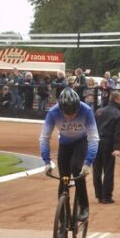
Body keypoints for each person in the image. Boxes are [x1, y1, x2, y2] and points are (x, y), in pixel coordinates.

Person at [39, 87, 99, 222]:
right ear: (60, 109)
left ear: (78, 107)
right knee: (64, 178)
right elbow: (44, 137)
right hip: (65, 144)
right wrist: (47, 162)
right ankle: (62, 220)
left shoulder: (86, 111)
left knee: (77, 168)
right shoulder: (53, 113)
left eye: (73, 112)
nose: (70, 116)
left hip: (81, 142)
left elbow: (94, 138)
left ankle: (84, 206)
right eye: (66, 113)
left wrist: (88, 163)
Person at [93, 91, 120, 204]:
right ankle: (106, 196)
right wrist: (116, 148)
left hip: (95, 142)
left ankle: (99, 195)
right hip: (108, 143)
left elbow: (92, 127)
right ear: (116, 100)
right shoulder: (119, 114)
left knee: (96, 170)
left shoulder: (99, 111)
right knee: (108, 170)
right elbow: (117, 133)